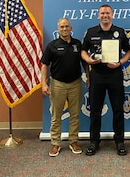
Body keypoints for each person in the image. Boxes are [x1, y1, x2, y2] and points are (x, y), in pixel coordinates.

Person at [81, 4, 130, 156]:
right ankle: (94, 142)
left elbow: (129, 51)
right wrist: (88, 61)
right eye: (102, 13)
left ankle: (120, 142)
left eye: (107, 13)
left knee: (118, 110)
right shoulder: (91, 32)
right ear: (98, 15)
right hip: (96, 75)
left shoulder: (120, 32)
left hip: (115, 75)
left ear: (112, 15)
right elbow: (83, 50)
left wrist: (121, 62)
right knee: (95, 111)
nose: (105, 15)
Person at [41, 18, 88, 157]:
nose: (64, 29)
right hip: (57, 84)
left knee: (75, 115)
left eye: (67, 26)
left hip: (75, 84)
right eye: (62, 27)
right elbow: (44, 65)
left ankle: (73, 141)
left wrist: (88, 76)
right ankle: (55, 143)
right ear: (58, 28)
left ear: (71, 28)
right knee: (56, 115)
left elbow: (84, 62)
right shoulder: (52, 46)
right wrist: (44, 83)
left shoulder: (77, 44)